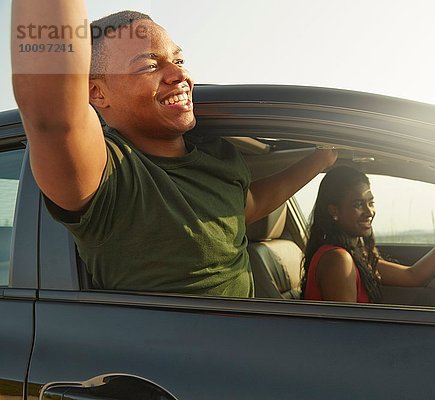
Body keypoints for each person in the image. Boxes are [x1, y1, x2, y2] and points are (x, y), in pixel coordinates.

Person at [11, 2, 336, 297]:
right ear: (97, 92)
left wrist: (322, 157)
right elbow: (52, 112)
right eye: (149, 66)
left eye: (179, 60)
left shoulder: (221, 158)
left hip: (261, 349)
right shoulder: (110, 177)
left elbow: (247, 205)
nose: (180, 75)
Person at [301, 166, 435, 303]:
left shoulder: (354, 254)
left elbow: (412, 276)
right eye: (358, 204)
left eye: (370, 202)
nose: (369, 212)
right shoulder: (338, 259)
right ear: (334, 210)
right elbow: (347, 332)